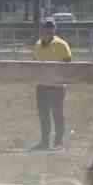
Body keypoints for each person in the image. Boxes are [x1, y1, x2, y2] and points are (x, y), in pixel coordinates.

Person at [31, 18, 72, 150]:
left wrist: (60, 78)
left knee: (57, 114)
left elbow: (68, 62)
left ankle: (58, 142)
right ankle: (44, 142)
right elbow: (35, 62)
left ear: (54, 29)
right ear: (42, 29)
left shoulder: (62, 44)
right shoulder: (37, 45)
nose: (48, 30)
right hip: (42, 85)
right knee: (43, 115)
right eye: (46, 27)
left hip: (57, 86)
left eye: (51, 27)